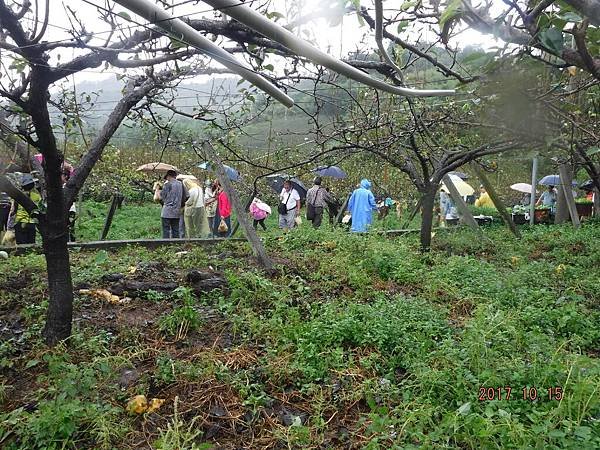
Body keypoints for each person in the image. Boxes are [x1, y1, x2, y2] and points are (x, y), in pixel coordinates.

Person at [156, 169, 185, 238]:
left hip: (167, 212)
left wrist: (157, 189)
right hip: (177, 211)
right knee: (176, 230)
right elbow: (186, 196)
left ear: (169, 176)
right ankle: (175, 245)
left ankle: (166, 246)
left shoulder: (167, 184)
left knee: (166, 231)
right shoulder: (181, 184)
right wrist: (180, 205)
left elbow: (160, 198)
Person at [13, 174, 41, 244]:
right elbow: (39, 209)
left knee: (21, 246)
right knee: (31, 246)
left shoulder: (18, 196)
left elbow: (14, 210)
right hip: (31, 223)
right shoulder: (37, 196)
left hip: (20, 222)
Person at [61, 168, 77, 242]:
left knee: (70, 226)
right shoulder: (59, 187)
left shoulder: (68, 186)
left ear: (66, 176)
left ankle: (72, 242)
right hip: (63, 209)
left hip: (70, 210)